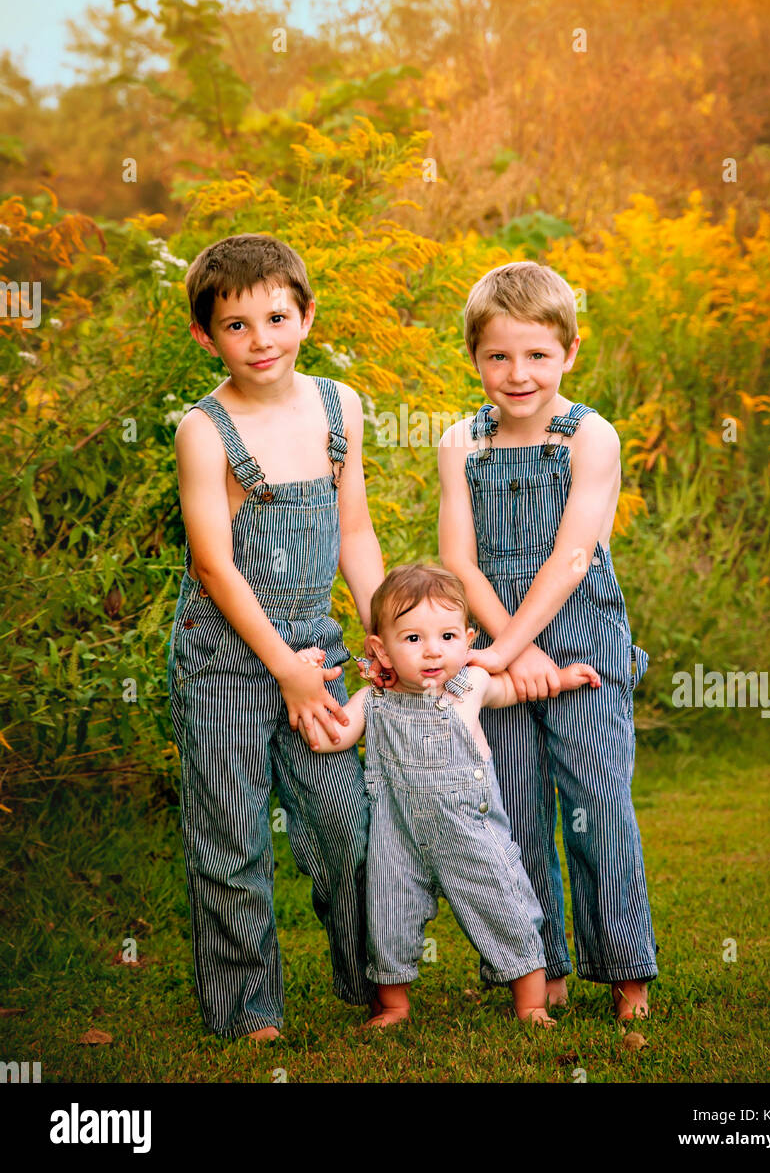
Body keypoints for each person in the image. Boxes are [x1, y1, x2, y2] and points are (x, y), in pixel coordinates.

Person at [167, 233, 384, 1040]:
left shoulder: (339, 407)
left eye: (276, 317)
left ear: (306, 316)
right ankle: (248, 1011)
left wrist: (379, 632)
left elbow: (354, 532)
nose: (260, 340)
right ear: (204, 335)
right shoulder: (204, 430)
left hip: (313, 647)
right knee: (231, 841)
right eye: (235, 325)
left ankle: (373, 984)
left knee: (345, 825)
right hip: (225, 658)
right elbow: (216, 570)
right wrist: (284, 675)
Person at [437, 260, 658, 1022]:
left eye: (535, 354)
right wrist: (508, 649)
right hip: (501, 634)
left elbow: (572, 556)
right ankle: (540, 967)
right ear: (474, 359)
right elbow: (459, 563)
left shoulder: (589, 436)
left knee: (597, 800)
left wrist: (510, 648)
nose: (517, 373)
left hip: (583, 635)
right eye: (497, 356)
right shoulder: (459, 441)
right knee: (512, 806)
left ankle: (626, 971)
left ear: (568, 351)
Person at [300, 563, 601, 1028]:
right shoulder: (372, 701)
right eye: (413, 639)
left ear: (468, 638)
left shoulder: (470, 685)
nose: (433, 651)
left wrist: (560, 679)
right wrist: (310, 687)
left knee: (504, 903)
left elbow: (514, 689)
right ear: (380, 649)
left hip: (470, 828)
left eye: (447, 636)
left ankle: (532, 1005)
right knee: (388, 913)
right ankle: (395, 1005)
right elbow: (329, 739)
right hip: (396, 831)